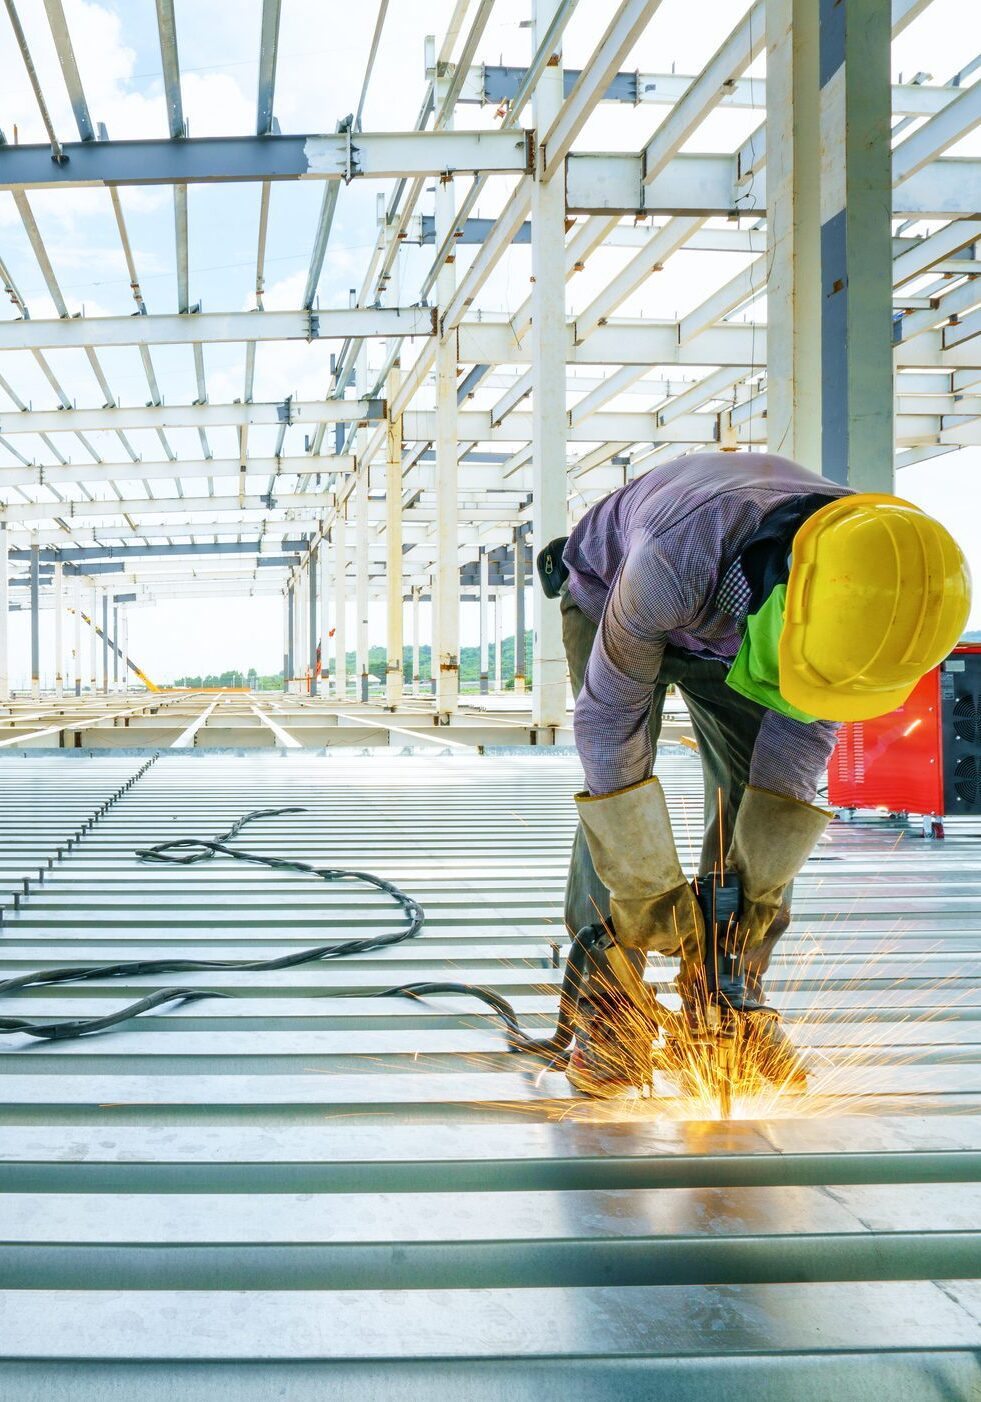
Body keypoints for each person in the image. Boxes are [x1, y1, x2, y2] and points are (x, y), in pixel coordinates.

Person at [540, 450, 971, 1097]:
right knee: (617, 807)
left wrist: (754, 899)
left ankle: (725, 1000)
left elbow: (787, 767)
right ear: (780, 612)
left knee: (754, 808)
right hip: (612, 602)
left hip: (748, 625)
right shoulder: (674, 556)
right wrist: (646, 886)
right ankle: (613, 1006)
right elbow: (610, 734)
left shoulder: (867, 606)